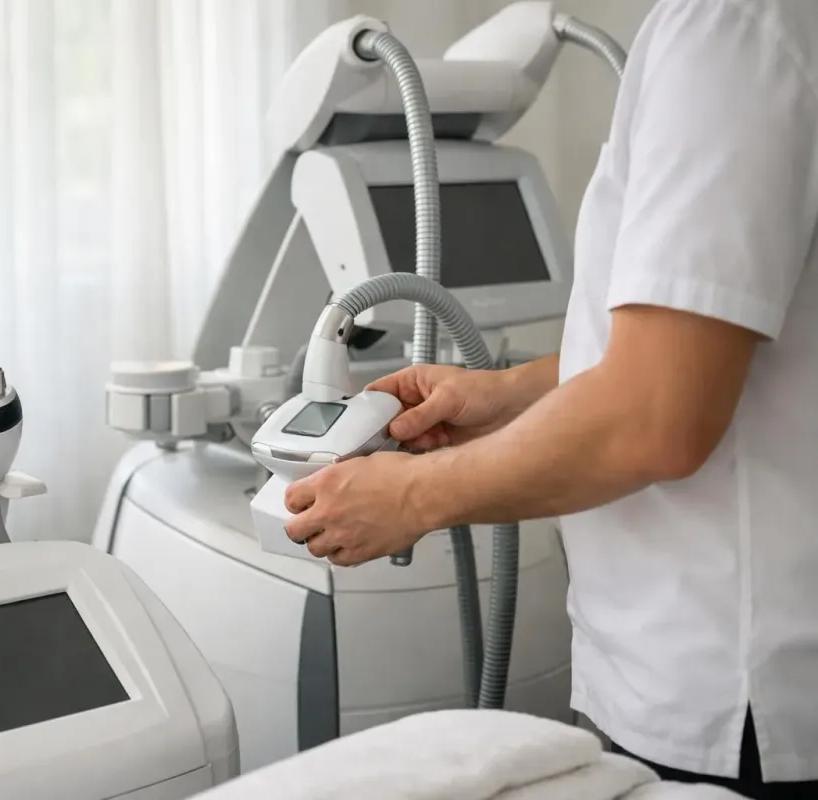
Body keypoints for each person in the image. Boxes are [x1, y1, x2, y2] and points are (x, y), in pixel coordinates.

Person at [280, 1, 818, 798]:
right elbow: (700, 347)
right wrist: (511, 393)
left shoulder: (729, 27)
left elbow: (655, 418)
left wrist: (414, 498)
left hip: (725, 682)